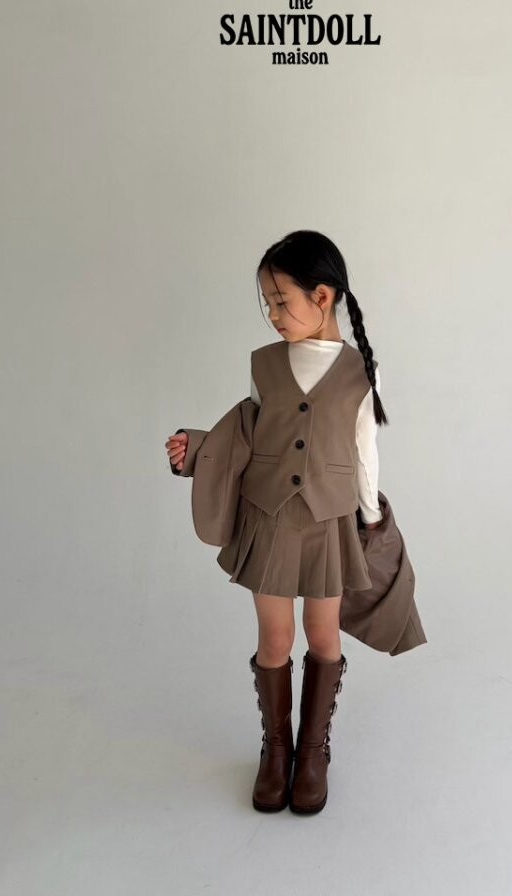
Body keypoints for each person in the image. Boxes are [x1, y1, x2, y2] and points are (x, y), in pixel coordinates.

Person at [165, 229, 388, 816]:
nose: (272, 314)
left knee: (323, 634)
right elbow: (245, 435)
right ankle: (276, 749)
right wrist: (198, 448)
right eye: (267, 302)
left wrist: (370, 518)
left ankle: (312, 752)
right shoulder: (263, 364)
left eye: (281, 301)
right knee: (275, 638)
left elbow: (365, 452)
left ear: (323, 296)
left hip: (330, 521)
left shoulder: (361, 371)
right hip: (268, 518)